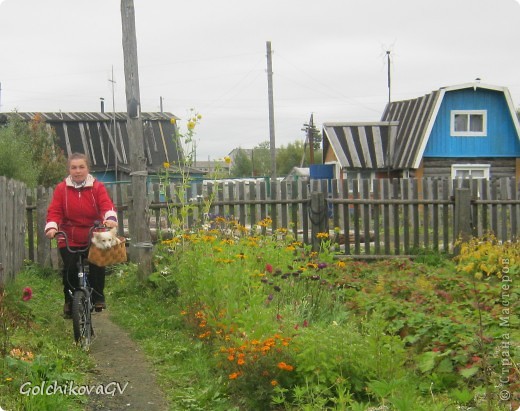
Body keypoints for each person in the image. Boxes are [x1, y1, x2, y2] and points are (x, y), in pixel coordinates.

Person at [45, 152, 118, 318]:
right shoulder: (61, 189)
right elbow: (55, 210)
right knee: (69, 269)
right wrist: (52, 227)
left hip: (94, 233)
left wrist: (110, 218)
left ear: (87, 169)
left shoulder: (97, 187)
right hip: (68, 235)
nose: (77, 171)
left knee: (98, 263)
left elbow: (106, 205)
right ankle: (70, 301)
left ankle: (98, 296)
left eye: (81, 167)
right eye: (74, 167)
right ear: (69, 169)